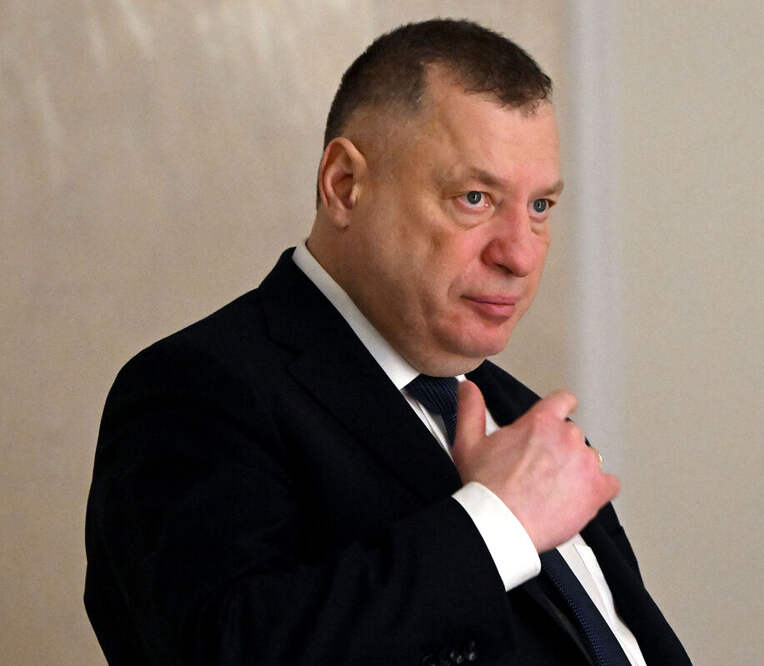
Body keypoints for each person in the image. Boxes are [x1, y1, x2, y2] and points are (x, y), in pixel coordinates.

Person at [84, 18, 690, 666]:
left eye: (540, 207)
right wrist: (496, 524)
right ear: (345, 185)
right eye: (475, 197)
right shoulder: (195, 391)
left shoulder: (527, 422)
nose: (519, 255)